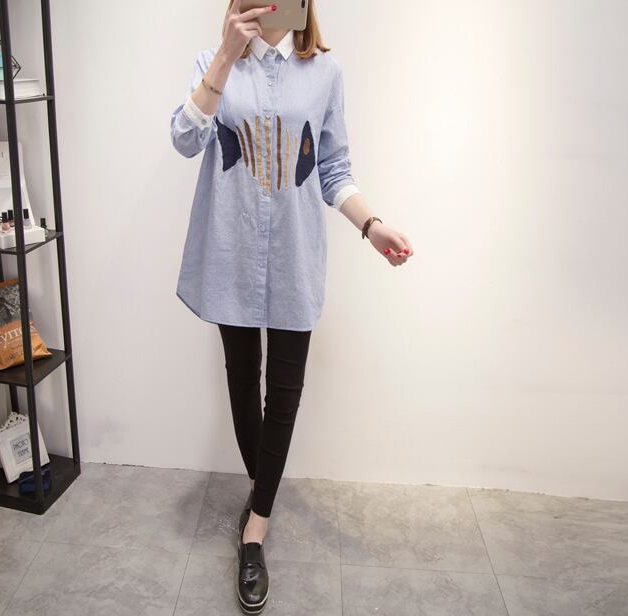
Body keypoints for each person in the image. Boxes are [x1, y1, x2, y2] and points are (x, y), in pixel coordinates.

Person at [169, 0, 413, 611]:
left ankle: (255, 527)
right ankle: (264, 495)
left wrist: (372, 225)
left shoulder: (325, 73)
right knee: (241, 381)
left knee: (285, 392)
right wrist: (226, 54)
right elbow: (184, 139)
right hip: (229, 254)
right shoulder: (214, 61)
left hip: (294, 259)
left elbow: (334, 169)